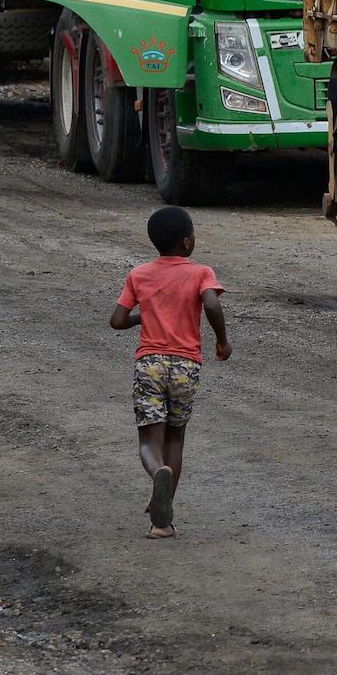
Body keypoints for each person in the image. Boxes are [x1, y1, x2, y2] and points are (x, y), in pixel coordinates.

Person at [110, 205, 229, 537]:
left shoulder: (140, 274)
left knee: (151, 439)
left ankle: (155, 470)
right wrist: (222, 342)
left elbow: (117, 320)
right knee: (176, 437)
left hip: (149, 365)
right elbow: (211, 303)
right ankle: (161, 523)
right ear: (188, 241)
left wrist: (143, 316)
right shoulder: (201, 272)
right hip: (185, 367)